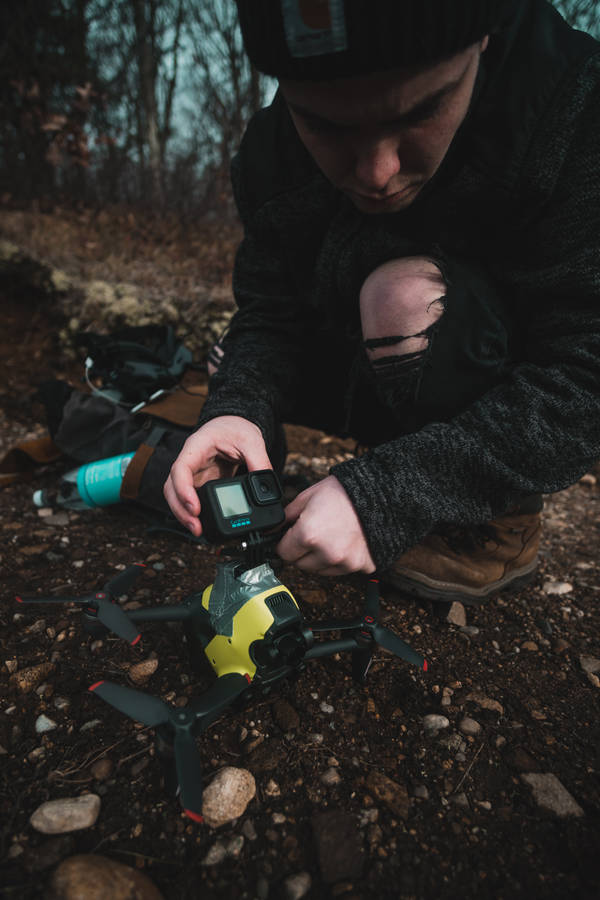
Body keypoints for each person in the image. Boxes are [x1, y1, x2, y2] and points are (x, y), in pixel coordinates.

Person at [164, 0, 600, 605]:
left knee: (404, 301)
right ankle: (257, 466)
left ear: (482, 41)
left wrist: (394, 492)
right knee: (224, 364)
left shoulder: (574, 108)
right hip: (354, 366)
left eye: (421, 110)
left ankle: (497, 521)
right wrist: (238, 410)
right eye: (326, 125)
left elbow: (587, 371)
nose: (376, 172)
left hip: (489, 377)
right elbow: (268, 312)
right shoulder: (269, 152)